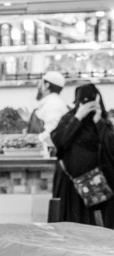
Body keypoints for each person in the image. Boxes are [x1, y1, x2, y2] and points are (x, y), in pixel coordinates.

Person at [51, 83, 114, 227]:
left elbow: (111, 148)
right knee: (74, 225)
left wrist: (99, 122)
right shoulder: (69, 119)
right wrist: (78, 117)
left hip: (101, 187)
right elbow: (60, 142)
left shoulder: (104, 122)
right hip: (72, 189)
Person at [27, 72, 67, 151]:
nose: (38, 86)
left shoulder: (53, 105)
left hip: (47, 155)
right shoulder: (50, 103)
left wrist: (33, 139)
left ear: (47, 85)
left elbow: (52, 132)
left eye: (40, 83)